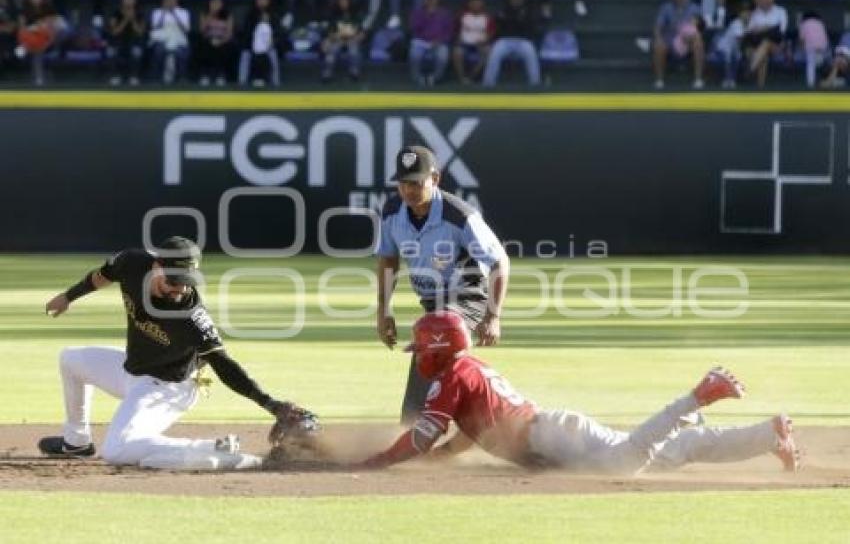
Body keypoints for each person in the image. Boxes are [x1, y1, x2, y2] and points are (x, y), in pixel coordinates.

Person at [359, 311, 801, 474]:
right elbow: (467, 432)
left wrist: (378, 461)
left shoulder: (449, 377)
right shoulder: (469, 368)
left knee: (628, 461)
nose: (418, 355)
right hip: (550, 434)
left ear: (437, 348)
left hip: (547, 436)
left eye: (421, 346)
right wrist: (440, 460)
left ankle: (699, 397)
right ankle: (768, 435)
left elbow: (422, 436)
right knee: (672, 455)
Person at [39, 236, 318, 469]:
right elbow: (102, 276)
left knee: (116, 451)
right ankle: (76, 442)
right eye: (173, 280)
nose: (180, 288)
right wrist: (68, 296)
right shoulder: (132, 263)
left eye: (186, 281)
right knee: (71, 360)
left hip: (168, 387)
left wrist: (270, 404)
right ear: (156, 266)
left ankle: (215, 448)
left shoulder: (192, 316)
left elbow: (223, 364)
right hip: (132, 367)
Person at [377, 145, 510, 425]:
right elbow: (389, 260)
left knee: (435, 334)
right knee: (438, 358)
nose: (408, 190)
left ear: (435, 179)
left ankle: (414, 426)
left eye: (416, 182)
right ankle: (471, 424)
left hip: (468, 298)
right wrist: (383, 311)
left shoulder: (458, 215)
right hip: (433, 304)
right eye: (403, 183)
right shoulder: (392, 211)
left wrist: (493, 316)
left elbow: (500, 261)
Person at [482, 0, 542, 87]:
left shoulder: (529, 11)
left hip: (523, 41)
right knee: (494, 53)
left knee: (531, 53)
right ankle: (488, 85)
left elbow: (532, 29)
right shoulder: (503, 10)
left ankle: (535, 85)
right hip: (504, 41)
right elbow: (497, 28)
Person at [652, 0, 704, 90]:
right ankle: (659, 80)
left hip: (689, 40)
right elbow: (658, 26)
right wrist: (658, 38)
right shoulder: (666, 8)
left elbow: (698, 27)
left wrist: (691, 36)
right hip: (671, 40)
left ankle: (698, 79)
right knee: (659, 45)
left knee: (698, 43)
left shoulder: (694, 7)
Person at [742, 0, 787, 88]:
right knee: (763, 55)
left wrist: (763, 29)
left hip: (776, 44)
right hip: (756, 44)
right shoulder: (755, 13)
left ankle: (750, 69)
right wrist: (765, 29)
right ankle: (760, 87)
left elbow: (781, 31)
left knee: (766, 43)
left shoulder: (781, 11)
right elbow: (749, 31)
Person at [408, 0, 453, 87]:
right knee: (414, 54)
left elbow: (449, 32)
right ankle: (417, 78)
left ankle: (435, 78)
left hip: (439, 42)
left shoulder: (445, 13)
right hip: (421, 42)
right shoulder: (417, 12)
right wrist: (427, 15)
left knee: (443, 55)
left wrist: (440, 41)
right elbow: (414, 29)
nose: (431, 0)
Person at [238, 0, 281, 87]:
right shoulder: (250, 14)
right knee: (245, 53)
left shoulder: (273, 14)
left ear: (268, 0)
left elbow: (278, 32)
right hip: (251, 45)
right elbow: (246, 32)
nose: (261, 1)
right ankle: (242, 82)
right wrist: (255, 44)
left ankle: (276, 83)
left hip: (268, 46)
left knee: (272, 52)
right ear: (256, 0)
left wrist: (272, 42)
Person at [16, 0, 57, 86]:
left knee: (39, 48)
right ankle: (38, 77)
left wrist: (46, 40)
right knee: (34, 48)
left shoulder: (48, 8)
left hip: (46, 39)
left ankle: (38, 77)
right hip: (29, 39)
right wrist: (30, 31)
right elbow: (21, 27)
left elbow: (51, 27)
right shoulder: (24, 8)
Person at [149, 0, 190, 84]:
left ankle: (181, 79)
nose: (171, 0)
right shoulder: (157, 12)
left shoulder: (183, 12)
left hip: (178, 39)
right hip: (161, 39)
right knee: (159, 50)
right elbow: (155, 27)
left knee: (181, 53)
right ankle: (156, 78)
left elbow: (186, 30)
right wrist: (164, 12)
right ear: (164, 0)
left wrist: (174, 14)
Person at [453, 0, 494, 85]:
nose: (475, 4)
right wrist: (458, 39)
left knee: (488, 52)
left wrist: (484, 41)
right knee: (456, 52)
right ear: (468, 3)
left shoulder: (487, 17)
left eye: (477, 1)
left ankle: (472, 76)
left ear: (482, 3)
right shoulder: (461, 15)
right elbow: (455, 31)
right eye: (472, 1)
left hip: (480, 44)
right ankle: (462, 78)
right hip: (464, 44)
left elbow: (491, 33)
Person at [321, 0, 363, 82]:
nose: (342, 2)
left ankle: (354, 73)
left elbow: (360, 33)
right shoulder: (333, 11)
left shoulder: (355, 11)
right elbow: (330, 33)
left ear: (349, 0)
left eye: (345, 0)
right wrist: (334, 38)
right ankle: (327, 74)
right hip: (338, 39)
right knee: (332, 49)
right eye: (340, 0)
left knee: (354, 50)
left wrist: (356, 37)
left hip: (352, 39)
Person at [107, 0, 145, 86]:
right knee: (113, 51)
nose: (129, 0)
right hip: (118, 40)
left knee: (136, 52)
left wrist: (132, 20)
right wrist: (125, 19)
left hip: (134, 40)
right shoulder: (115, 13)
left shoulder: (140, 13)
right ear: (122, 0)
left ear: (135, 0)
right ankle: (116, 76)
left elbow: (140, 32)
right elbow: (114, 32)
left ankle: (134, 76)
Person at [197, 0, 234, 86]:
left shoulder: (228, 15)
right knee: (205, 46)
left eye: (218, 3)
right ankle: (205, 75)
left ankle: (220, 76)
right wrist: (209, 17)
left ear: (222, 4)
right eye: (213, 3)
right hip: (208, 38)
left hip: (223, 40)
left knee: (223, 48)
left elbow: (229, 33)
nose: (215, 5)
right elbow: (202, 31)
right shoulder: (204, 13)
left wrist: (221, 41)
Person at [715, 3, 750, 88]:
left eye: (748, 13)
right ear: (740, 14)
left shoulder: (748, 24)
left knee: (736, 55)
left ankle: (732, 79)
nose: (746, 15)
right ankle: (727, 80)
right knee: (731, 56)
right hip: (723, 48)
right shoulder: (736, 24)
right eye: (744, 13)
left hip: (734, 49)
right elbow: (740, 39)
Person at [797, 10, 828, 89]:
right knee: (818, 62)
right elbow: (824, 36)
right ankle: (821, 78)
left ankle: (810, 84)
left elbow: (801, 39)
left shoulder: (804, 24)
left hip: (811, 46)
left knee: (810, 65)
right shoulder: (820, 23)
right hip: (822, 46)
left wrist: (801, 48)